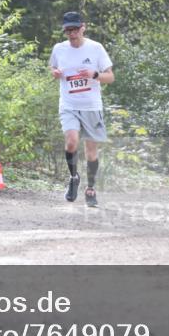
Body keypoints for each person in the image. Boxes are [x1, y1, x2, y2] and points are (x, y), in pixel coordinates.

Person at [49, 11, 114, 207]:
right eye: (68, 30)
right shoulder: (59, 49)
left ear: (83, 27)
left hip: (92, 106)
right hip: (69, 105)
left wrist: (95, 75)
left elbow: (110, 77)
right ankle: (73, 177)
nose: (72, 33)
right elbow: (52, 68)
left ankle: (91, 188)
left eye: (75, 29)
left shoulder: (96, 48)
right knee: (71, 142)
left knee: (91, 151)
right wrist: (55, 73)